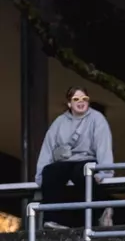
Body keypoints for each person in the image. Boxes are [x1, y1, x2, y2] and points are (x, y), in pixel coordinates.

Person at [35, 87, 114, 229]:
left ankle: (96, 214)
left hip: (87, 159)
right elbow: (47, 148)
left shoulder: (97, 119)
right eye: (76, 99)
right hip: (65, 162)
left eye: (84, 99)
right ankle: (53, 219)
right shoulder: (59, 122)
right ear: (69, 103)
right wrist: (40, 174)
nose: (80, 102)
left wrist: (105, 172)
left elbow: (103, 146)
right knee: (51, 172)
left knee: (81, 173)